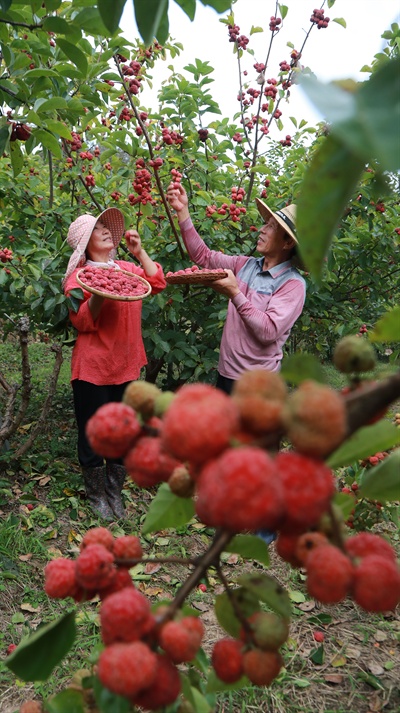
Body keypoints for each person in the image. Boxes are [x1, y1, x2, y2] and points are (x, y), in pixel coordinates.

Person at [63, 207, 166, 520]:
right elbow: (82, 323)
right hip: (93, 368)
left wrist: (139, 251)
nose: (107, 230)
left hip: (126, 364)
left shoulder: (126, 269)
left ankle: (113, 490)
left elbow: (157, 282)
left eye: (107, 226)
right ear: (85, 242)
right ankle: (95, 494)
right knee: (93, 431)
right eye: (98, 228)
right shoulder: (78, 279)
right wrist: (99, 292)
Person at [166, 182, 306, 395]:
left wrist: (234, 293)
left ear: (287, 243)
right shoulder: (246, 265)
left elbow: (268, 331)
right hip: (227, 373)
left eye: (271, 227)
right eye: (265, 224)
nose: (262, 230)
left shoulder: (292, 284)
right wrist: (182, 211)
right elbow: (204, 256)